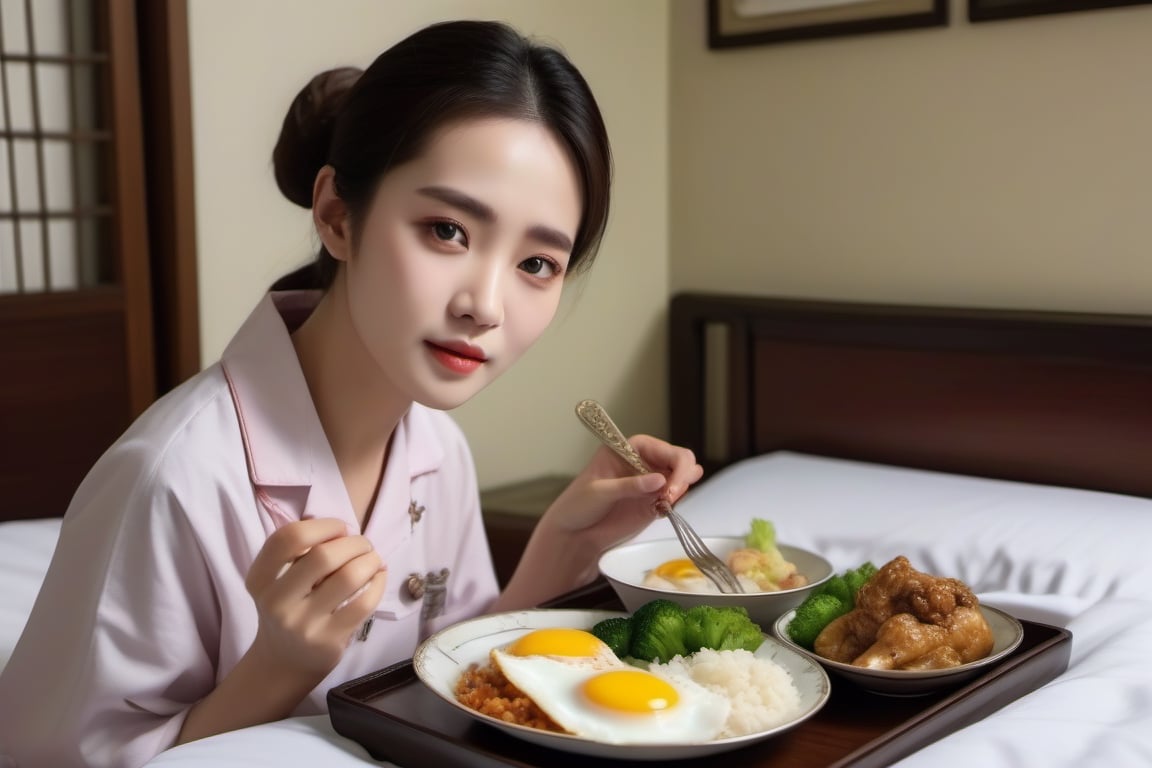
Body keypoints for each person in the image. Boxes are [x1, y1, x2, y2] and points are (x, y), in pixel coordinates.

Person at [0, 19, 702, 768]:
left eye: (536, 264)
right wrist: (280, 663)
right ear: (337, 213)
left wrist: (563, 543)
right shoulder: (169, 477)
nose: (486, 306)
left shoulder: (437, 446)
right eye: (447, 230)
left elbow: (445, 677)